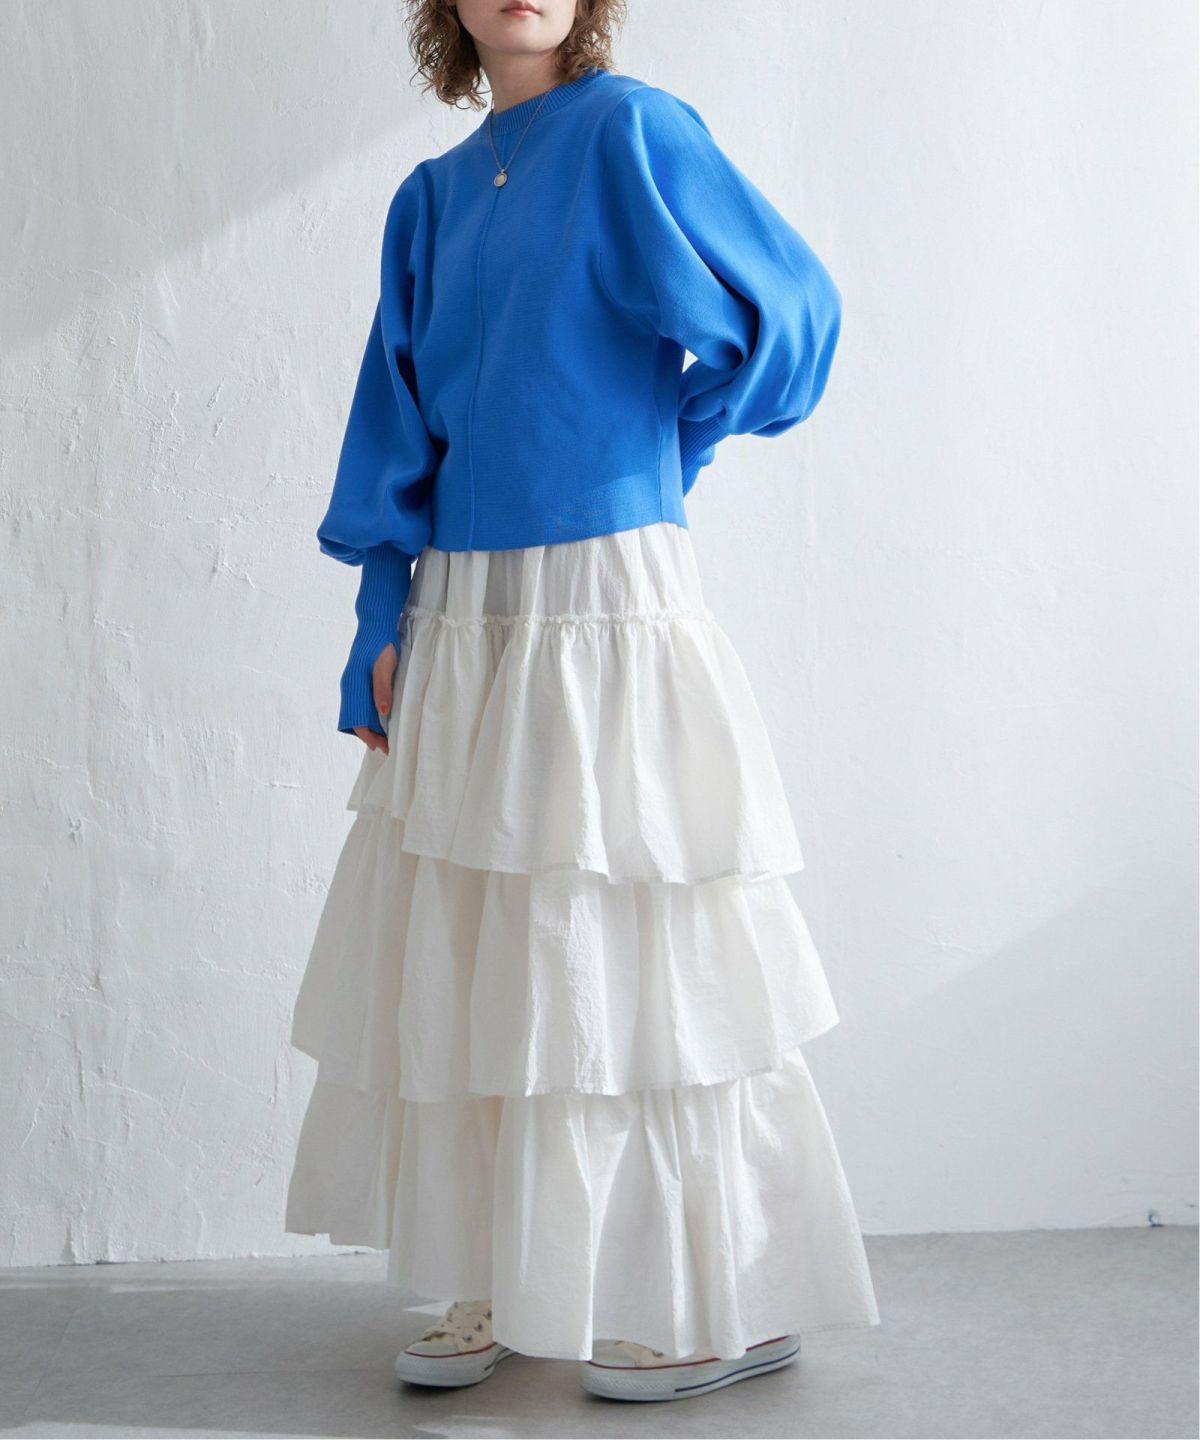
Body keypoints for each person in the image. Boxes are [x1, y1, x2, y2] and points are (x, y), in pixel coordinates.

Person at [283, 0, 880, 1405]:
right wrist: (376, 618)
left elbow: (791, 310)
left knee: (636, 942)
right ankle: (503, 1272)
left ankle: (713, 1296)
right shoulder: (429, 200)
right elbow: (395, 418)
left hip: (606, 592)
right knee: (481, 940)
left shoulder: (630, 133)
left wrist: (664, 447)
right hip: (464, 610)